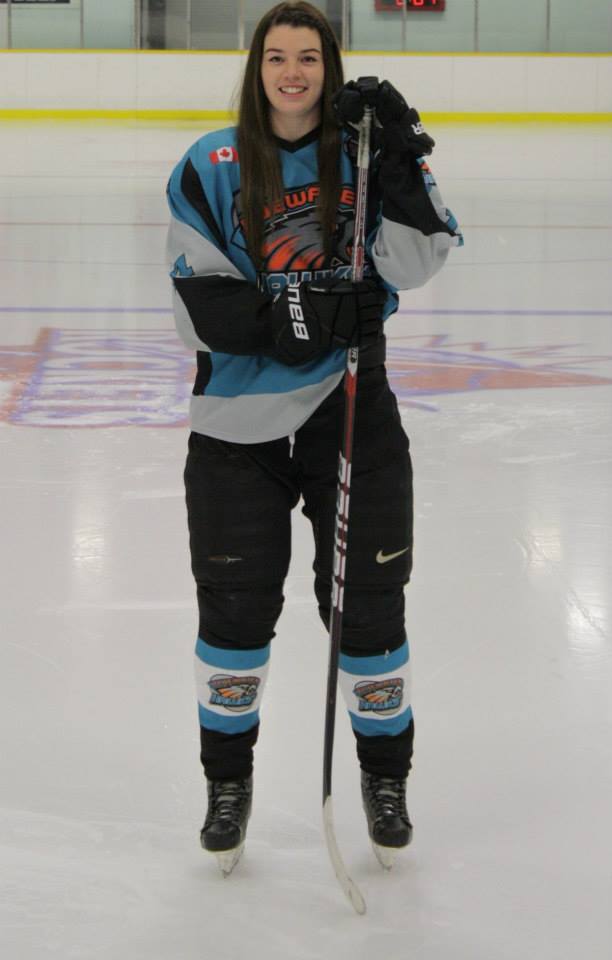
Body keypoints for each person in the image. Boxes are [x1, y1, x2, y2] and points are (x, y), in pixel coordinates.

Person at [166, 0, 462, 874]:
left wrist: (400, 156)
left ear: (329, 69)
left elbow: (417, 262)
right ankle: (227, 785)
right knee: (234, 612)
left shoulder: (362, 158)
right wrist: (297, 317)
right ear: (256, 69)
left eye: (308, 58)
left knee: (369, 611)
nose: (292, 73)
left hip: (352, 412)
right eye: (276, 57)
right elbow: (199, 305)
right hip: (236, 430)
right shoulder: (209, 162)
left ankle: (385, 781)